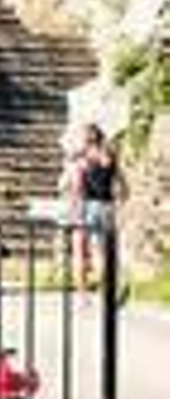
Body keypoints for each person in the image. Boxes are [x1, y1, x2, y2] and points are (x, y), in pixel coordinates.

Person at [70, 123, 126, 289]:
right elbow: (123, 186)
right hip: (107, 205)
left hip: (87, 206)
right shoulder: (110, 157)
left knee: (80, 249)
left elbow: (77, 187)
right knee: (101, 249)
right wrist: (118, 204)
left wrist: (75, 207)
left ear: (86, 139)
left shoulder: (83, 159)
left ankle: (82, 290)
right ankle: (104, 286)